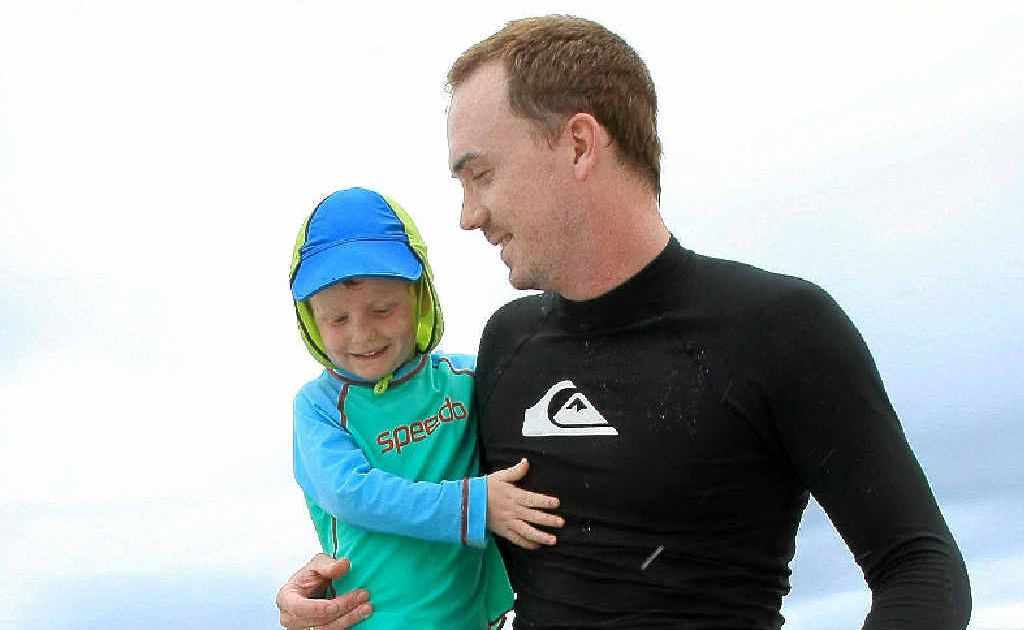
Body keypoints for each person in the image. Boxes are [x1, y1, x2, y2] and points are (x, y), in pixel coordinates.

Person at [278, 16, 972, 630]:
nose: (468, 215)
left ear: (580, 145)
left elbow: (920, 566)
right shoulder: (509, 345)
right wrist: (328, 589)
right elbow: (428, 496)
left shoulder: (778, 328)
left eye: (480, 174)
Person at [286, 187, 562, 629]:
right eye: (337, 319)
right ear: (311, 322)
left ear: (421, 299)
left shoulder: (468, 379)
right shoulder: (318, 407)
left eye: (382, 309)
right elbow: (350, 492)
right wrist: (474, 506)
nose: (362, 334)